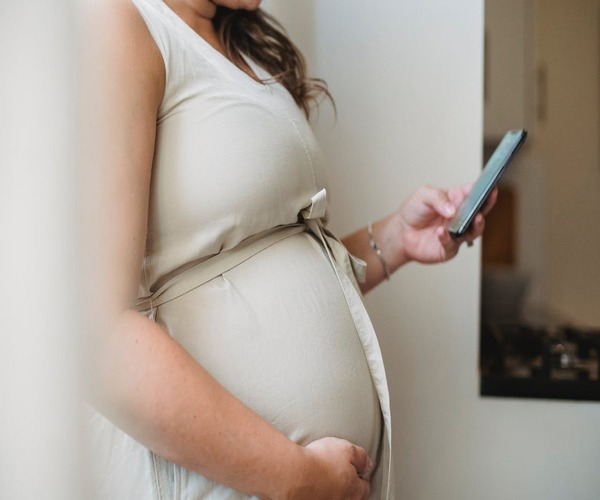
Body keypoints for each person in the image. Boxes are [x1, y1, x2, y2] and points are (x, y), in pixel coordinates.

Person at [81, 0, 494, 498]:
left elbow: (276, 264)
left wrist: (398, 239)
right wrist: (295, 476)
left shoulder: (238, 43)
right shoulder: (121, 24)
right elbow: (96, 338)